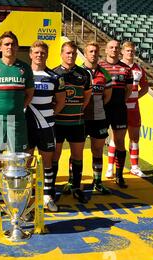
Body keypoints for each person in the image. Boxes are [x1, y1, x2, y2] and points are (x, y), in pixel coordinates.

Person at [0, 31, 34, 222]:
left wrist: (20, 108)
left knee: (18, 164)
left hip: (17, 121)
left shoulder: (24, 69)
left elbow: (29, 93)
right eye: (6, 44)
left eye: (13, 44)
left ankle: (19, 206)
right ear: (0, 47)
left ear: (17, 47)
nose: (10, 47)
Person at [25, 40, 66, 212]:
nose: (39, 55)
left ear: (47, 55)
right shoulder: (23, 74)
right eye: (36, 52)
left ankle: (48, 196)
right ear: (30, 54)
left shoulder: (55, 77)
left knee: (47, 162)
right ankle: (25, 197)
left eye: (42, 53)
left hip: (47, 125)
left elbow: (61, 101)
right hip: (26, 126)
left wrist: (48, 115)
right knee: (25, 163)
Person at [52, 41, 92, 204]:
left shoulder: (84, 74)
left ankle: (76, 188)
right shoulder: (54, 73)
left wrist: (80, 108)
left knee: (77, 155)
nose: (71, 56)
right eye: (68, 53)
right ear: (61, 54)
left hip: (77, 122)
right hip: (58, 123)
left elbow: (87, 96)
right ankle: (51, 188)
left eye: (74, 53)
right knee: (55, 156)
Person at [106, 41, 149, 178]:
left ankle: (135, 167)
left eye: (132, 51)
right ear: (122, 52)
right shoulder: (118, 67)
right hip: (118, 107)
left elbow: (145, 88)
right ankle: (110, 167)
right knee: (116, 139)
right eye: (128, 51)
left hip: (133, 109)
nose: (130, 53)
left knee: (134, 138)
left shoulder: (139, 69)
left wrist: (135, 99)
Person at [99, 40, 133, 188]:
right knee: (98, 143)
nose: (114, 50)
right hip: (102, 110)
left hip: (119, 110)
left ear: (119, 50)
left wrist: (119, 102)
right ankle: (97, 178)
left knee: (120, 142)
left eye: (116, 48)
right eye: (111, 47)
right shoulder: (99, 67)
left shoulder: (126, 69)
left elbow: (129, 90)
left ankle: (119, 176)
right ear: (106, 50)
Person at [82, 41, 113, 194]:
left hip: (99, 117)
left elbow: (108, 96)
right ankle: (72, 182)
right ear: (85, 53)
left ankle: (98, 182)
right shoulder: (78, 71)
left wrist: (98, 107)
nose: (93, 54)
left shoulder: (104, 73)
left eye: (95, 51)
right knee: (77, 150)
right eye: (90, 51)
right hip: (80, 117)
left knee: (97, 149)